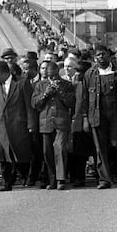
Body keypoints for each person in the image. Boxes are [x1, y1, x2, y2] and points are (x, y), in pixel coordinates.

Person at [82, 45, 117, 189]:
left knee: (116, 144)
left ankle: (114, 171)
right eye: (98, 55)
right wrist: (85, 118)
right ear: (95, 57)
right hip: (97, 115)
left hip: (116, 114)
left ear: (108, 55)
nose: (101, 57)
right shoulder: (89, 74)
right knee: (100, 148)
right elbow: (85, 98)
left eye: (103, 54)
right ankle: (104, 179)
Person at [0, 61, 37, 191]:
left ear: (4, 73)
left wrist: (31, 124)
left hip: (18, 126)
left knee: (20, 154)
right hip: (1, 127)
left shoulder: (21, 83)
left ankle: (24, 176)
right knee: (2, 156)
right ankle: (6, 182)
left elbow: (29, 105)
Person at [31, 62, 75, 190]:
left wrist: (60, 91)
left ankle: (61, 179)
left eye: (54, 75)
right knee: (47, 152)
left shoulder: (67, 85)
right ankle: (53, 179)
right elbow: (34, 104)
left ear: (58, 72)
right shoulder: (40, 85)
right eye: (50, 76)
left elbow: (71, 102)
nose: (52, 78)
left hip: (61, 122)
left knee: (59, 148)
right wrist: (46, 93)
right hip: (46, 122)